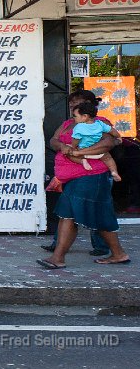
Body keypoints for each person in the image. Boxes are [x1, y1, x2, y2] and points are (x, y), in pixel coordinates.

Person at [37, 92, 131, 269]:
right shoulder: (68, 123)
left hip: (92, 175)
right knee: (94, 214)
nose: (73, 107)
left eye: (77, 104)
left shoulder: (99, 122)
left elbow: (108, 144)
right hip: (73, 176)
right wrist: (63, 146)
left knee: (70, 213)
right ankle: (118, 254)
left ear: (88, 106)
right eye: (71, 104)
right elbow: (53, 140)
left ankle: (58, 258)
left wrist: (77, 153)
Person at [69, 101, 121, 181]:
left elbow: (76, 140)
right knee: (108, 159)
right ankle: (114, 172)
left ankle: (83, 162)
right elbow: (112, 130)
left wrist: (74, 147)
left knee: (68, 154)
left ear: (85, 116)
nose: (73, 118)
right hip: (98, 152)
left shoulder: (79, 127)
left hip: (82, 151)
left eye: (75, 116)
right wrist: (119, 137)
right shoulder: (100, 124)